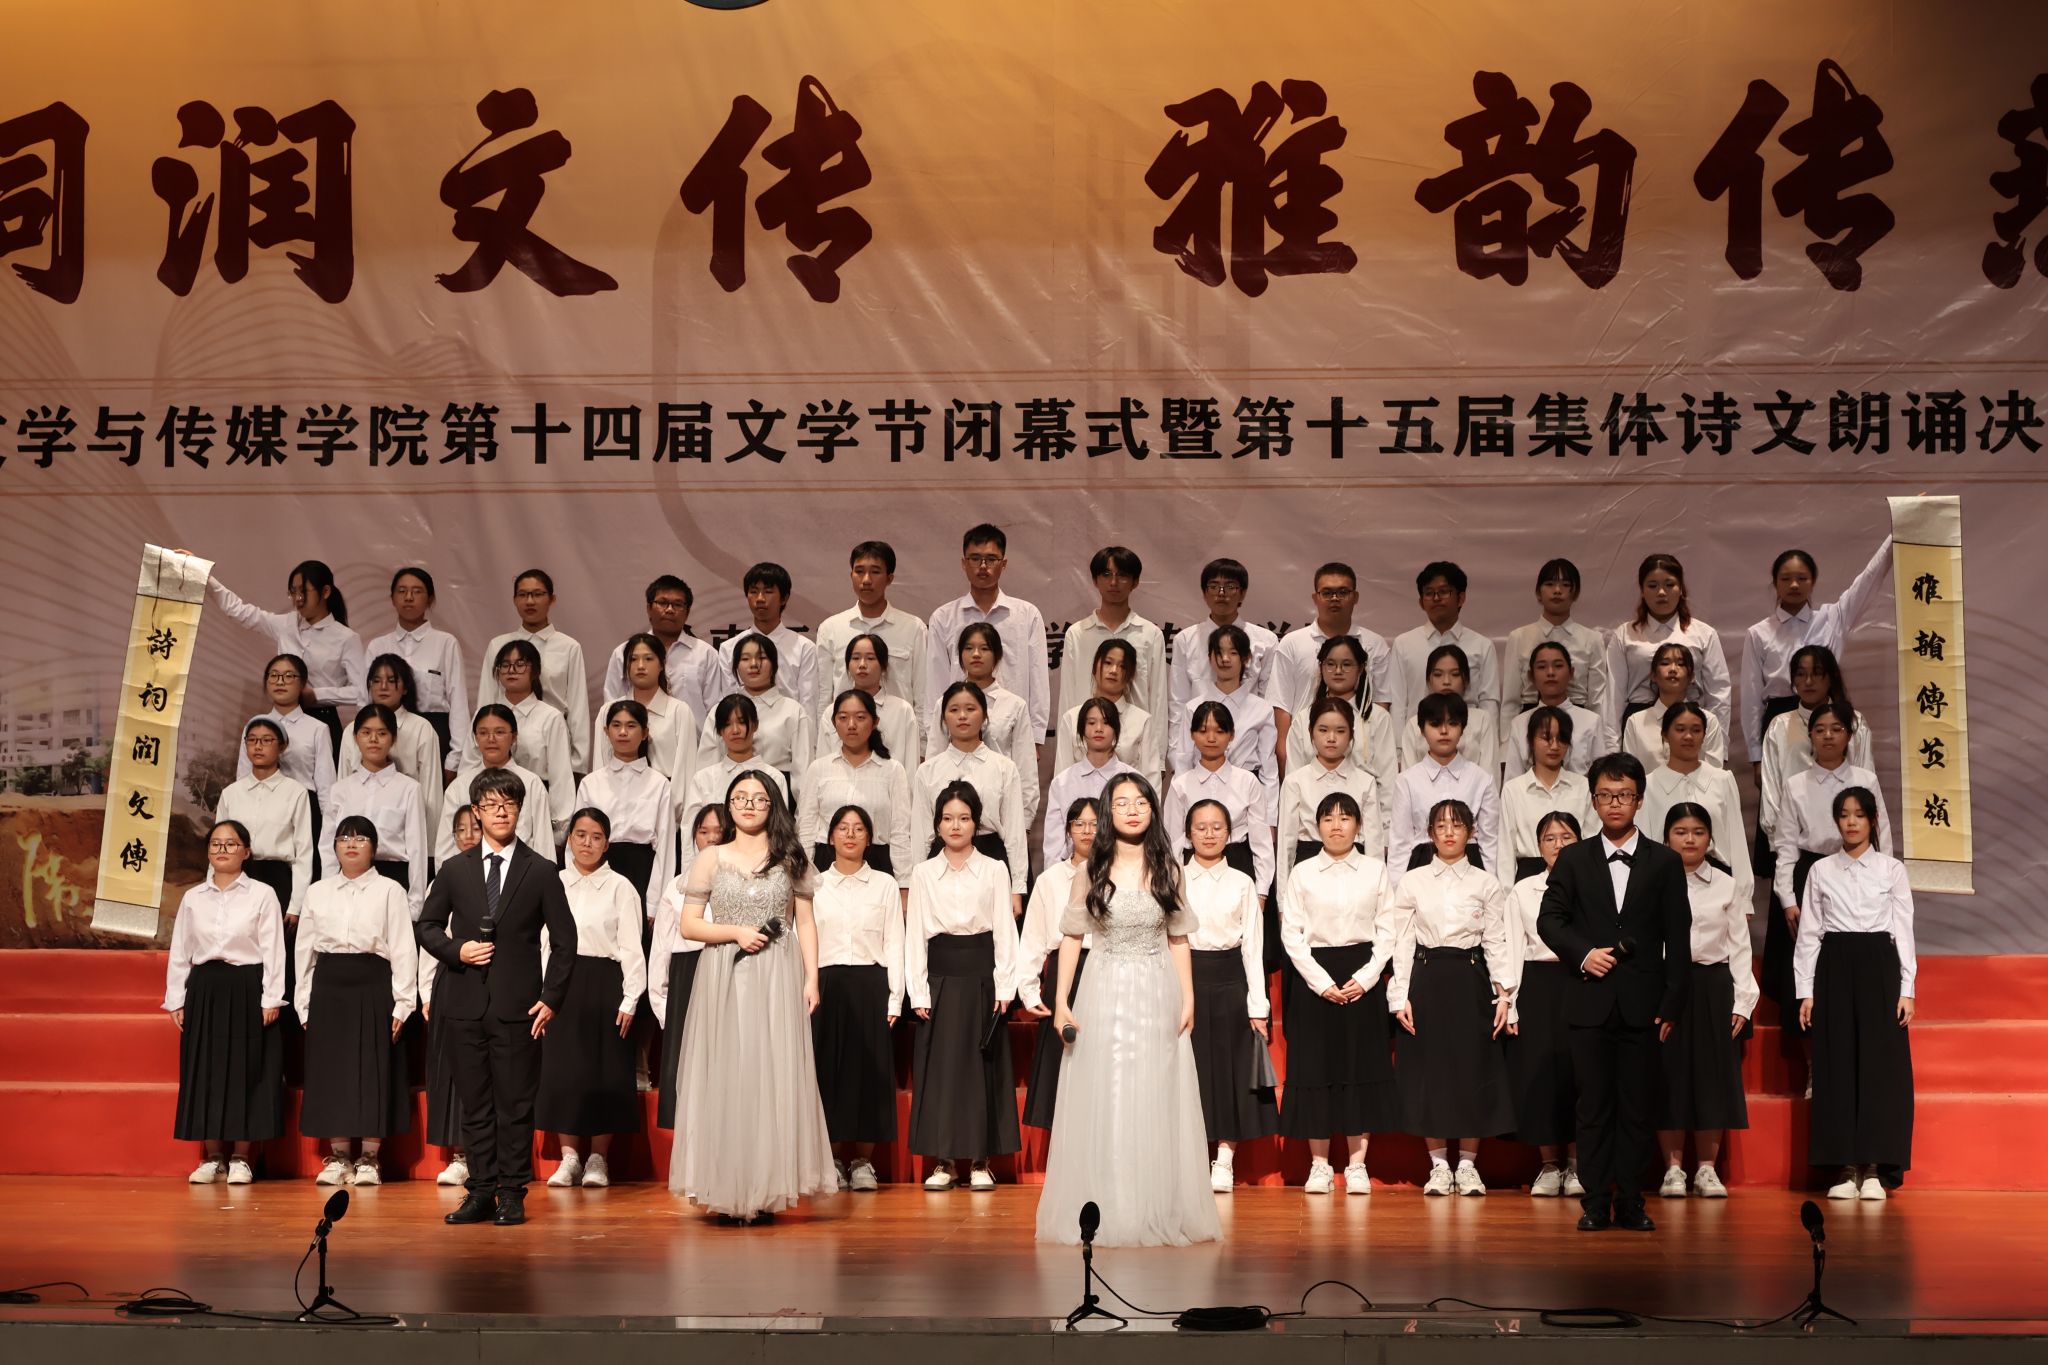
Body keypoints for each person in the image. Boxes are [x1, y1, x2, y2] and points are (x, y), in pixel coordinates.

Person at [1036, 772, 1219, 1246]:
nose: (1132, 810)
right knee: (1110, 1094)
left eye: (1140, 801)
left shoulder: (1169, 869)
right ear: (1108, 813)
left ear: (1153, 810)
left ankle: (1153, 1205)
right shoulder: (1090, 871)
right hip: (1104, 988)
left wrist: (1188, 997)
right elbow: (1072, 938)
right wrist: (1061, 1001)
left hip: (1157, 989)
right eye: (1121, 803)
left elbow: (1178, 938)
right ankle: (1110, 1206)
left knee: (1156, 1094)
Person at [668, 772, 838, 1221]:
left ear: (772, 805)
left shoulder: (790, 857)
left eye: (758, 798)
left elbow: (806, 922)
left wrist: (811, 979)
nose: (748, 804)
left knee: (770, 1075)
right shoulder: (711, 857)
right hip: (723, 972)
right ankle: (726, 1188)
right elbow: (689, 925)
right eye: (740, 797)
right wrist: (736, 932)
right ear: (729, 805)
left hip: (776, 974)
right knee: (727, 1075)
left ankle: (765, 1190)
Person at [416, 768, 579, 1227]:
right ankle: (481, 1191)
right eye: (491, 805)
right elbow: (427, 926)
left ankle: (511, 1193)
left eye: (508, 803)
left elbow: (565, 941)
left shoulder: (540, 870)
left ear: (519, 810)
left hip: (518, 1008)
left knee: (515, 1106)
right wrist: (457, 950)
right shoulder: (455, 869)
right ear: (476, 812)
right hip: (463, 1004)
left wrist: (551, 998)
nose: (500, 812)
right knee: (475, 1105)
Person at [1537, 753, 1692, 1233]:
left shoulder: (1665, 862)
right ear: (1593, 801)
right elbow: (1549, 920)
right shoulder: (1574, 858)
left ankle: (1631, 1201)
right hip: (1589, 1000)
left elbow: (1678, 936)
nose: (1615, 803)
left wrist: (1672, 1002)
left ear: (1639, 800)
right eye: (1605, 795)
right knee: (1593, 1107)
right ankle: (1594, 1202)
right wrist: (1584, 954)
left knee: (1637, 1107)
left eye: (1624, 795)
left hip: (1644, 1006)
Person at [1388, 799, 1517, 1196]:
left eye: (1457, 825)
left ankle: (1469, 1165)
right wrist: (1400, 994)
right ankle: (1440, 1166)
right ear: (1430, 833)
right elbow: (1402, 940)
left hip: (1471, 978)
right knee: (1431, 1072)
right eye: (1441, 825)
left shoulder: (1485, 883)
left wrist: (1505, 995)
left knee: (1472, 1069)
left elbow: (1496, 940)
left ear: (1471, 832)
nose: (1448, 832)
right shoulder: (1413, 881)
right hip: (1427, 977)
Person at [1797, 786, 1916, 1201]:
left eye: (1859, 815)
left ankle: (1876, 1169)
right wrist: (1806, 991)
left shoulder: (1891, 869)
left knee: (1881, 1068)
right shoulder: (1821, 870)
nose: (1851, 822)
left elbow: (1903, 929)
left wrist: (1907, 988)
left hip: (1880, 965)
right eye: (1844, 815)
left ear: (1872, 821)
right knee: (1837, 1065)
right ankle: (1844, 1168)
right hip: (1834, 965)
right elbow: (1809, 933)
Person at [1277, 792, 1399, 1195]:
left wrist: (1367, 977)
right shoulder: (1303, 873)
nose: (1336, 825)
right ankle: (1320, 1165)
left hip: (1362, 975)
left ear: (1358, 826)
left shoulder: (1375, 870)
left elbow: (1388, 930)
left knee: (1359, 1068)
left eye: (1345, 818)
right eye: (1328, 818)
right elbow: (1291, 934)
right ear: (1317, 826)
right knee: (1315, 1069)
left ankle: (1357, 1164)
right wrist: (1321, 982)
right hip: (1315, 978)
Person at [906, 782, 1023, 1190]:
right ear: (937, 825)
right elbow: (915, 934)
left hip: (981, 978)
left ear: (976, 823)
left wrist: (1005, 987)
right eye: (948, 818)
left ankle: (979, 1160)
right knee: (941, 1072)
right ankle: (943, 1161)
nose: (956, 826)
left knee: (980, 1071)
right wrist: (918, 990)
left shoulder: (994, 869)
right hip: (939, 978)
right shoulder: (923, 873)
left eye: (964, 818)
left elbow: (1005, 931)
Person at [297, 816, 416, 1187]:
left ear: (374, 848)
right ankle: (339, 1157)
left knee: (372, 1068)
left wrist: (403, 1002)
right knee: (331, 1070)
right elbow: (304, 951)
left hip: (373, 982)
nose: (351, 843)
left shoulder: (390, 890)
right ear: (334, 846)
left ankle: (369, 1157)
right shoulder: (317, 891)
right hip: (329, 984)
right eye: (344, 837)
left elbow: (403, 947)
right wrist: (304, 1003)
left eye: (361, 838)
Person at [166, 819, 286, 1185]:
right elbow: (180, 951)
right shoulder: (193, 897)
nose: (222, 850)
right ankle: (213, 1157)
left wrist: (271, 997)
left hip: (247, 986)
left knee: (247, 1070)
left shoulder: (262, 894)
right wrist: (176, 998)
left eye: (231, 844)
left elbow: (273, 949)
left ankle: (241, 1158)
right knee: (206, 1070)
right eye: (216, 844)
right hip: (205, 988)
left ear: (246, 852)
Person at [538, 809, 647, 1190]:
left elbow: (631, 945)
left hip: (605, 982)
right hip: (561, 983)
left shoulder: (620, 887)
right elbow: (541, 941)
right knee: (563, 1070)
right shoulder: (553, 882)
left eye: (596, 836)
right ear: (569, 839)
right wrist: (543, 991)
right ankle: (569, 1158)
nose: (587, 843)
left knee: (607, 1069)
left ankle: (598, 1159)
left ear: (607, 843)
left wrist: (630, 997)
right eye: (580, 835)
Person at [1768, 703, 1891, 1027]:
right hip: (1809, 871)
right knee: (1808, 961)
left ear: (1849, 735)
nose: (1828, 736)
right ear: (1810, 735)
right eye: (1820, 729)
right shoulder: (1796, 783)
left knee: (1849, 961)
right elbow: (1785, 845)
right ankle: (1809, 1050)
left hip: (1858, 870)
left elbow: (1882, 835)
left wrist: (1885, 885)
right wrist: (1787, 899)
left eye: (1837, 729)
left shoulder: (1865, 780)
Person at [1654, 804, 1754, 1200]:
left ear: (1710, 839)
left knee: (1712, 1077)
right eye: (1680, 832)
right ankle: (1673, 1169)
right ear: (1666, 839)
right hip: (1665, 985)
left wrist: (1743, 1001)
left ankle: (1707, 1170)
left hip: (1713, 985)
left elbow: (1739, 946)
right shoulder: (1653, 880)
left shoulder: (1726, 885)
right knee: (1668, 1076)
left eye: (1698, 831)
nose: (1690, 839)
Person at [1180, 798, 1278, 1192]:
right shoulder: (1173, 878)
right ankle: (1189, 1160)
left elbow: (1253, 946)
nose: (1209, 834)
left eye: (1217, 827)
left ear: (1230, 834)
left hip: (1230, 980)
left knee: (1230, 1073)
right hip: (1185, 978)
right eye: (1200, 827)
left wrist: (1258, 1006)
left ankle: (1224, 1160)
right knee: (1189, 1071)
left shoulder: (1242, 882)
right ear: (1188, 834)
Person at [809, 804, 905, 1193]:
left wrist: (895, 997)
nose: (850, 835)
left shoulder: (884, 884)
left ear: (869, 838)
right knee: (826, 1071)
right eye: (843, 828)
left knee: (870, 1073)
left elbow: (895, 940)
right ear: (830, 837)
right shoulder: (814, 885)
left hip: (871, 983)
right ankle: (831, 1159)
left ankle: (864, 1162)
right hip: (825, 985)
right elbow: (803, 940)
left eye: (859, 828)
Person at [1742, 535, 1892, 766]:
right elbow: (1751, 697)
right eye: (1786, 579)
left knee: (1834, 782)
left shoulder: (1832, 618)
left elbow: (1869, 579)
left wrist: (1895, 535)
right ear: (1775, 583)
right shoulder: (1758, 633)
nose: (1794, 585)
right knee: (1784, 786)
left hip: (1828, 717)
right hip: (1780, 721)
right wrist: (1756, 756)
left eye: (1802, 578)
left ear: (1813, 582)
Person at [209, 559, 366, 759]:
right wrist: (206, 577)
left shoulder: (346, 638)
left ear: (325, 592)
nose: (298, 599)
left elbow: (361, 692)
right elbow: (239, 611)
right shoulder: (287, 624)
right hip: (283, 719)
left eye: (303, 592)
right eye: (293, 592)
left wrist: (317, 695)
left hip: (323, 720)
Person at [1504, 812, 1584, 1198]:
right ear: (1538, 847)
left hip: (1582, 981)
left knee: (1580, 1074)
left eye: (1566, 837)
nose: (1558, 845)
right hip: (1537, 984)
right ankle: (1550, 1165)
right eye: (1549, 839)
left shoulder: (1594, 884)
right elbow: (1512, 946)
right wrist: (1510, 1001)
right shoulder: (1523, 890)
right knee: (1542, 1076)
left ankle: (1579, 1165)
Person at [649, 803, 736, 1130]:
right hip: (687, 976)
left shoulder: (742, 881)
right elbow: (661, 951)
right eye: (703, 831)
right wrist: (664, 1009)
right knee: (687, 1073)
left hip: (729, 971)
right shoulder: (677, 886)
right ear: (694, 837)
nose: (711, 838)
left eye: (718, 831)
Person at [924, 523, 1051, 745]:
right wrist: (934, 738)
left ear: (1004, 564)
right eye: (975, 558)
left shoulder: (1026, 615)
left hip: (1011, 731)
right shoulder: (943, 618)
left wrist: (1036, 736)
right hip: (958, 734)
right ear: (964, 563)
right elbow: (936, 682)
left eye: (991, 559)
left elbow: (1038, 679)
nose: (983, 566)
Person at [1016, 798, 1100, 1130]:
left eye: (1095, 824)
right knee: (1062, 1057)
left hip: (1104, 969)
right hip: (1064, 974)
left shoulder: (1118, 876)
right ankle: (1064, 1143)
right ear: (1068, 830)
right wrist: (1029, 989)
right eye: (1079, 824)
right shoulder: (1050, 880)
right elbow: (1034, 937)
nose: (1087, 831)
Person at [910, 682, 1028, 908]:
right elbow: (921, 835)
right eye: (954, 710)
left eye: (970, 709)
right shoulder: (928, 771)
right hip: (942, 861)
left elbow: (1015, 833)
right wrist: (917, 883)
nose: (962, 716)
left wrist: (1018, 887)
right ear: (943, 719)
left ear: (984, 716)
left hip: (991, 853)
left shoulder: (1004, 767)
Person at [213, 717, 313, 962]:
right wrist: (213, 890)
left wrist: (296, 905)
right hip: (238, 876)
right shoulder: (231, 793)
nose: (258, 746)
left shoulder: (295, 792)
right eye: (252, 740)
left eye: (267, 740)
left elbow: (304, 852)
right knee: (236, 951)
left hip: (278, 879)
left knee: (275, 955)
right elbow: (217, 847)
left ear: (282, 746)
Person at [477, 569, 592, 773]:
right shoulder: (498, 645)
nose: (530, 601)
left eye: (538, 594)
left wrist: (578, 764)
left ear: (552, 599)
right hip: (502, 746)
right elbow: (486, 701)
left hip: (551, 745)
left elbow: (578, 708)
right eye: (523, 595)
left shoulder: (568, 647)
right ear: (514, 600)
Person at [1269, 563, 1391, 756]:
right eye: (1327, 593)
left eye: (1343, 592)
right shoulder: (1292, 643)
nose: (1335, 598)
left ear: (1355, 597)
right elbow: (1281, 706)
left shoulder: (1374, 644)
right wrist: (1285, 759)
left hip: (1361, 754)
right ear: (1315, 598)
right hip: (1305, 752)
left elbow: (1381, 702)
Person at [420, 805, 482, 1186]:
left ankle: (486, 1156)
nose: (469, 836)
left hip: (493, 978)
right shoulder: (445, 876)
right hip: (452, 976)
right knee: (454, 1069)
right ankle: (461, 1155)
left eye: (475, 828)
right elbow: (430, 937)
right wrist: (426, 991)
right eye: (461, 830)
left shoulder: (502, 873)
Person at [1606, 554, 1730, 740]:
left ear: (1681, 589)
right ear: (1642, 591)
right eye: (1652, 585)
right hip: (1640, 724)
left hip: (1689, 722)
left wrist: (1718, 744)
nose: (1661, 592)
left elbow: (1719, 694)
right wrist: (1611, 747)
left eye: (1669, 584)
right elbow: (1613, 696)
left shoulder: (1703, 634)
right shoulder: (1625, 634)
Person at [798, 688, 914, 886]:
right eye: (843, 718)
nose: (851, 725)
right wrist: (803, 879)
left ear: (875, 722)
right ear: (834, 722)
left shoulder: (893, 770)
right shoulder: (819, 769)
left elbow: (900, 833)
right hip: (827, 862)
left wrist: (904, 883)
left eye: (860, 717)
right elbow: (806, 829)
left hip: (876, 861)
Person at [325, 704, 430, 920]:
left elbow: (417, 849)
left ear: (393, 739)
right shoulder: (340, 790)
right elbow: (327, 847)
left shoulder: (409, 789)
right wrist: (328, 891)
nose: (373, 739)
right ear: (355, 737)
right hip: (348, 878)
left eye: (382, 733)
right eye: (366, 733)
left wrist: (415, 906)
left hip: (393, 877)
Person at [1640, 703, 1752, 904]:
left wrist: (1744, 899)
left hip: (1717, 881)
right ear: (1665, 735)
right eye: (1680, 729)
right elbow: (1645, 844)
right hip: (1663, 883)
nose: (1688, 736)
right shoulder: (1648, 785)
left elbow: (1736, 841)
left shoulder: (1722, 780)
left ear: (1704, 735)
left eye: (1696, 730)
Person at [574, 700, 679, 913]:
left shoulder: (659, 784)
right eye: (616, 725)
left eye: (631, 726)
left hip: (643, 870)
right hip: (599, 865)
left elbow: (666, 845)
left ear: (645, 733)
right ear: (606, 731)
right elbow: (577, 838)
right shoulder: (590, 783)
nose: (623, 732)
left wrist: (655, 903)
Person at [1164, 701, 1275, 893]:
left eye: (1220, 731)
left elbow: (1261, 843)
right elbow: (1172, 842)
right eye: (1203, 731)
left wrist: (1262, 892)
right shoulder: (1180, 785)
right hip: (1192, 869)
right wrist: (1176, 888)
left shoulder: (1248, 781)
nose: (1211, 738)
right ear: (1192, 734)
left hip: (1238, 863)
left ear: (1231, 735)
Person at [364, 567, 468, 768]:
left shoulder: (446, 643)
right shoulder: (378, 646)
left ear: (430, 599)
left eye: (417, 591)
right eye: (402, 591)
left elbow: (458, 703)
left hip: (434, 732)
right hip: (384, 731)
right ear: (392, 599)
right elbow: (366, 699)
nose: (409, 597)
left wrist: (456, 756)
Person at [1388, 562, 1502, 742]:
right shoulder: (1404, 644)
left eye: (1443, 591)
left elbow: (1489, 703)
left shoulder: (1482, 645)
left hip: (1468, 743)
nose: (1436, 598)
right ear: (1421, 602)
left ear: (1461, 598)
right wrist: (1399, 748)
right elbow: (1398, 703)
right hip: (1417, 743)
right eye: (1429, 593)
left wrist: (1490, 745)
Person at [1388, 693, 1501, 872]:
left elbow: (1490, 842)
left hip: (1470, 866)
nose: (1444, 731)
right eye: (1435, 724)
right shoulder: (1407, 780)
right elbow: (1400, 844)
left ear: (1462, 728)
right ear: (1422, 729)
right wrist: (1396, 887)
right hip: (1422, 865)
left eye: (1452, 723)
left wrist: (1493, 885)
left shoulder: (1481, 779)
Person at [1057, 546, 1168, 729]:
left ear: (1135, 582)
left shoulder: (1150, 634)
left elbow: (1158, 698)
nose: (1114, 582)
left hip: (1136, 736)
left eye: (1122, 575)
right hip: (1088, 736)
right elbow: (1068, 696)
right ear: (1095, 580)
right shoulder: (1078, 633)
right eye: (1106, 574)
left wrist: (1155, 745)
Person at [1275, 698, 1385, 883]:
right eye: (1323, 730)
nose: (1331, 738)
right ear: (1311, 732)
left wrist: (1377, 888)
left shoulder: (1366, 782)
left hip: (1355, 869)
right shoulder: (1295, 781)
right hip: (1308, 868)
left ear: (1351, 734)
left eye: (1340, 731)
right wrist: (1283, 896)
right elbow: (1286, 844)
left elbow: (1374, 845)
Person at [940, 622, 1041, 824]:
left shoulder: (1014, 705)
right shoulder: (945, 704)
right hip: (953, 817)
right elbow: (936, 759)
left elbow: (1026, 770)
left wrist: (1024, 823)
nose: (976, 654)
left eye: (984, 648)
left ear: (997, 655)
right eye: (969, 648)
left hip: (1001, 814)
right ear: (960, 655)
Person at [816, 541, 929, 717]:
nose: (866, 580)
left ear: (889, 578)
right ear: (851, 575)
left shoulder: (913, 628)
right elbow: (824, 696)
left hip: (897, 730)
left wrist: (918, 735)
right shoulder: (831, 628)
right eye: (859, 571)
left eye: (875, 572)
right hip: (846, 731)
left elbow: (922, 697)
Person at [1169, 624, 1281, 797]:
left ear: (1246, 658)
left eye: (1233, 653)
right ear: (1210, 657)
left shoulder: (1261, 709)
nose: (1225, 659)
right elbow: (1183, 761)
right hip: (1201, 793)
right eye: (1219, 652)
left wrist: (1269, 812)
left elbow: (1269, 768)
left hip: (1247, 794)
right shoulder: (1193, 707)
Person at [340, 655, 445, 837]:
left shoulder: (421, 729)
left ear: (405, 688)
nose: (383, 687)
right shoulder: (352, 729)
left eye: (391, 680)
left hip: (406, 831)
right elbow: (343, 785)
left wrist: (429, 846)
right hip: (359, 835)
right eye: (376, 680)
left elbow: (431, 795)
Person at [602, 575, 725, 728]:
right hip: (635, 741)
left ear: (687, 612)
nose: (669, 610)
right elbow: (612, 705)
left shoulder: (705, 654)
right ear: (649, 608)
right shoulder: (624, 653)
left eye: (677, 604)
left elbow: (715, 711)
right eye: (662, 603)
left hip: (693, 741)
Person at [438, 706, 555, 863]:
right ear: (475, 738)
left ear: (514, 737)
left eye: (499, 732)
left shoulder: (531, 783)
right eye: (483, 733)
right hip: (469, 874)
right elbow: (444, 851)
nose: (491, 739)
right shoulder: (459, 787)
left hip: (521, 872)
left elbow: (544, 844)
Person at [1282, 634, 1396, 791]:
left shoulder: (1378, 717)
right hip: (1312, 803)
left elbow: (1388, 779)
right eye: (1330, 664)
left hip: (1364, 803)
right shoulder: (1304, 718)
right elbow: (1293, 777)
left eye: (1347, 664)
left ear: (1361, 669)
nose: (1338, 671)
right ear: (1321, 668)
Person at [701, 633, 814, 790]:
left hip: (778, 794)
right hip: (728, 793)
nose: (753, 664)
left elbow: (803, 772)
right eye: (745, 659)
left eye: (762, 658)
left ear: (774, 665)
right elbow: (707, 768)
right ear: (736, 666)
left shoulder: (793, 710)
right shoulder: (719, 711)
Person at [1169, 557, 1279, 718]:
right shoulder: (1185, 639)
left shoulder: (1265, 640)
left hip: (1249, 729)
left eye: (1230, 586)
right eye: (1214, 586)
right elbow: (1178, 701)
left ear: (1242, 593)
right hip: (1199, 730)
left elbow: (1268, 698)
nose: (1221, 593)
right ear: (1204, 593)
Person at [490, 638, 575, 842]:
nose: (511, 670)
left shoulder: (550, 717)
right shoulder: (485, 715)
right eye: (505, 665)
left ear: (535, 671)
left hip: (535, 808)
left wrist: (558, 832)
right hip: (489, 809)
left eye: (520, 664)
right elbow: (470, 765)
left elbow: (560, 778)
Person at [236, 653, 338, 818]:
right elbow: (243, 777)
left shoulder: (317, 729)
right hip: (260, 808)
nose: (280, 682)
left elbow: (326, 787)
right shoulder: (253, 727)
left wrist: (329, 826)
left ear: (303, 683)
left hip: (303, 810)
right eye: (274, 675)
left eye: (289, 676)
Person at [1499, 707, 1594, 885]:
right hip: (1528, 878)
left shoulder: (1583, 787)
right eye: (1546, 738)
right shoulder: (1514, 789)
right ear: (1531, 741)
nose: (1554, 746)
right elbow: (1506, 851)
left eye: (1561, 739)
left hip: (1574, 876)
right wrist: (1507, 895)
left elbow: (1591, 842)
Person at [1506, 558, 1610, 717]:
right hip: (1530, 718)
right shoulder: (1518, 637)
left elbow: (1598, 700)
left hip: (1579, 719)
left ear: (1575, 593)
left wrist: (1598, 730)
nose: (1557, 590)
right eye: (1549, 584)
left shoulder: (1592, 639)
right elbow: (1511, 701)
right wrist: (1508, 733)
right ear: (1538, 592)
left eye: (1565, 585)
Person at [602, 633, 698, 803]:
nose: (640, 666)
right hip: (614, 803)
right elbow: (601, 764)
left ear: (662, 664)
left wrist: (671, 811)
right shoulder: (608, 711)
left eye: (648, 659)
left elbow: (686, 772)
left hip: (665, 803)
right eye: (633, 659)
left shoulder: (679, 711)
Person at [717, 562, 822, 715]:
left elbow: (808, 704)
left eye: (768, 591)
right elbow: (729, 700)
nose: (760, 598)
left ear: (784, 598)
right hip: (743, 726)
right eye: (753, 591)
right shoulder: (729, 648)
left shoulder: (804, 648)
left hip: (789, 726)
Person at [1042, 699, 1138, 865]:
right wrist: (1055, 877)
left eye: (1106, 723)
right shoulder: (1062, 782)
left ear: (1116, 730)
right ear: (1082, 729)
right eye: (1091, 723)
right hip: (1073, 870)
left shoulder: (1133, 780)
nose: (1098, 728)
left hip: (1122, 868)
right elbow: (1053, 845)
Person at [1053, 638, 1161, 780]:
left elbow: (1151, 780)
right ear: (1094, 668)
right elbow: (1062, 778)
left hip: (1128, 793)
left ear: (1130, 675)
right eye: (1108, 663)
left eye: (1122, 666)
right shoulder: (1072, 718)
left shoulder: (1142, 721)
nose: (1114, 670)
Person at [1505, 642, 1609, 778]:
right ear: (1531, 676)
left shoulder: (1591, 721)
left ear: (1571, 672)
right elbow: (1512, 779)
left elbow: (1601, 777)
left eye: (1558, 666)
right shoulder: (1520, 723)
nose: (1550, 673)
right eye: (1542, 667)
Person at [1620, 643, 1730, 770]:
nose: (1673, 669)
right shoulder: (1636, 722)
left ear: (1692, 677)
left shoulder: (1709, 721)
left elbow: (1714, 773)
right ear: (1653, 675)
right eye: (1665, 663)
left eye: (1681, 664)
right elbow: (1630, 774)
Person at [1396, 644, 1500, 777]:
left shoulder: (1482, 720)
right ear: (1428, 681)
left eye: (1455, 674)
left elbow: (1490, 775)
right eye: (1438, 674)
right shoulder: (1414, 724)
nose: (1446, 681)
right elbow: (1408, 777)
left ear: (1465, 680)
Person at [686, 695, 792, 814]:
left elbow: (780, 823)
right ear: (720, 731)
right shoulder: (703, 780)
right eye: (727, 724)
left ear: (755, 725)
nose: (735, 730)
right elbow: (691, 824)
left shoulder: (775, 778)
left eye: (742, 722)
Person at [837, 632, 923, 771]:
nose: (862, 665)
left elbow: (911, 767)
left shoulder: (902, 711)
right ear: (847, 665)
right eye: (856, 658)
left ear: (883, 666)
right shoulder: (834, 712)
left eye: (870, 658)